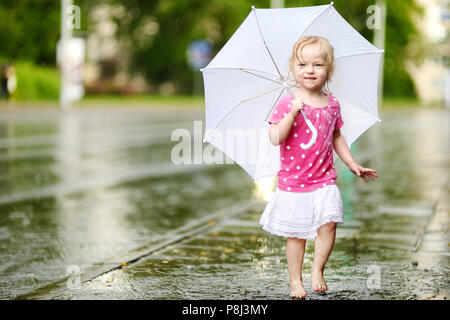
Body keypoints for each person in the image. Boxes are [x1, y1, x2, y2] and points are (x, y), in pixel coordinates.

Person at [259, 36, 378, 299]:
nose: (310, 70)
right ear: (293, 68)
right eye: (302, 64)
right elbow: (275, 137)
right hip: (294, 184)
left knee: (329, 224)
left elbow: (336, 137)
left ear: (329, 69)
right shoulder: (287, 103)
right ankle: (295, 281)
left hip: (324, 180)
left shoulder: (332, 104)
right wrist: (291, 114)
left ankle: (317, 269)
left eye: (317, 65)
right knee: (297, 236)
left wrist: (352, 163)